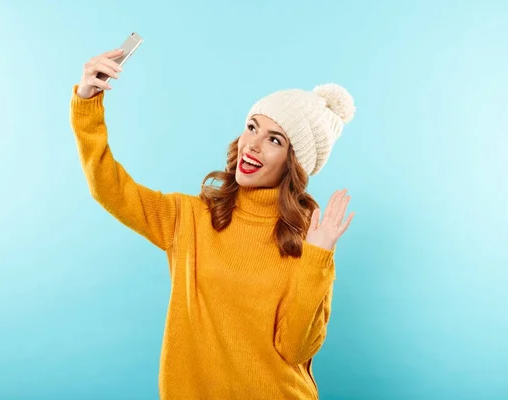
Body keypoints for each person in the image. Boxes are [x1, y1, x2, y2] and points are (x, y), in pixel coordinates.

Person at [69, 48, 356, 400]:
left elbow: (296, 350)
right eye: (253, 127)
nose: (253, 144)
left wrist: (318, 257)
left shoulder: (308, 242)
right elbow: (109, 187)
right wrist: (88, 104)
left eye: (274, 140)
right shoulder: (189, 218)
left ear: (293, 165)